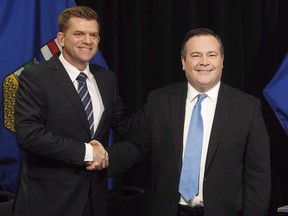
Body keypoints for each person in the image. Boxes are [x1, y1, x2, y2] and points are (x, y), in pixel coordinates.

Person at [103, 28, 271, 216]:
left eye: (212, 55)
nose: (204, 62)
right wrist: (100, 158)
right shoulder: (160, 100)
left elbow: (258, 175)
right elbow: (136, 147)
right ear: (184, 62)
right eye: (196, 55)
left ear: (222, 61)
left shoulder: (247, 108)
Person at [13, 6, 131, 216]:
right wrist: (87, 152)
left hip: (95, 200)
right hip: (49, 202)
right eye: (79, 34)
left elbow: (124, 125)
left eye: (93, 35)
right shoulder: (36, 77)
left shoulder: (106, 78)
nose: (87, 40)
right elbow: (29, 135)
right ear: (61, 38)